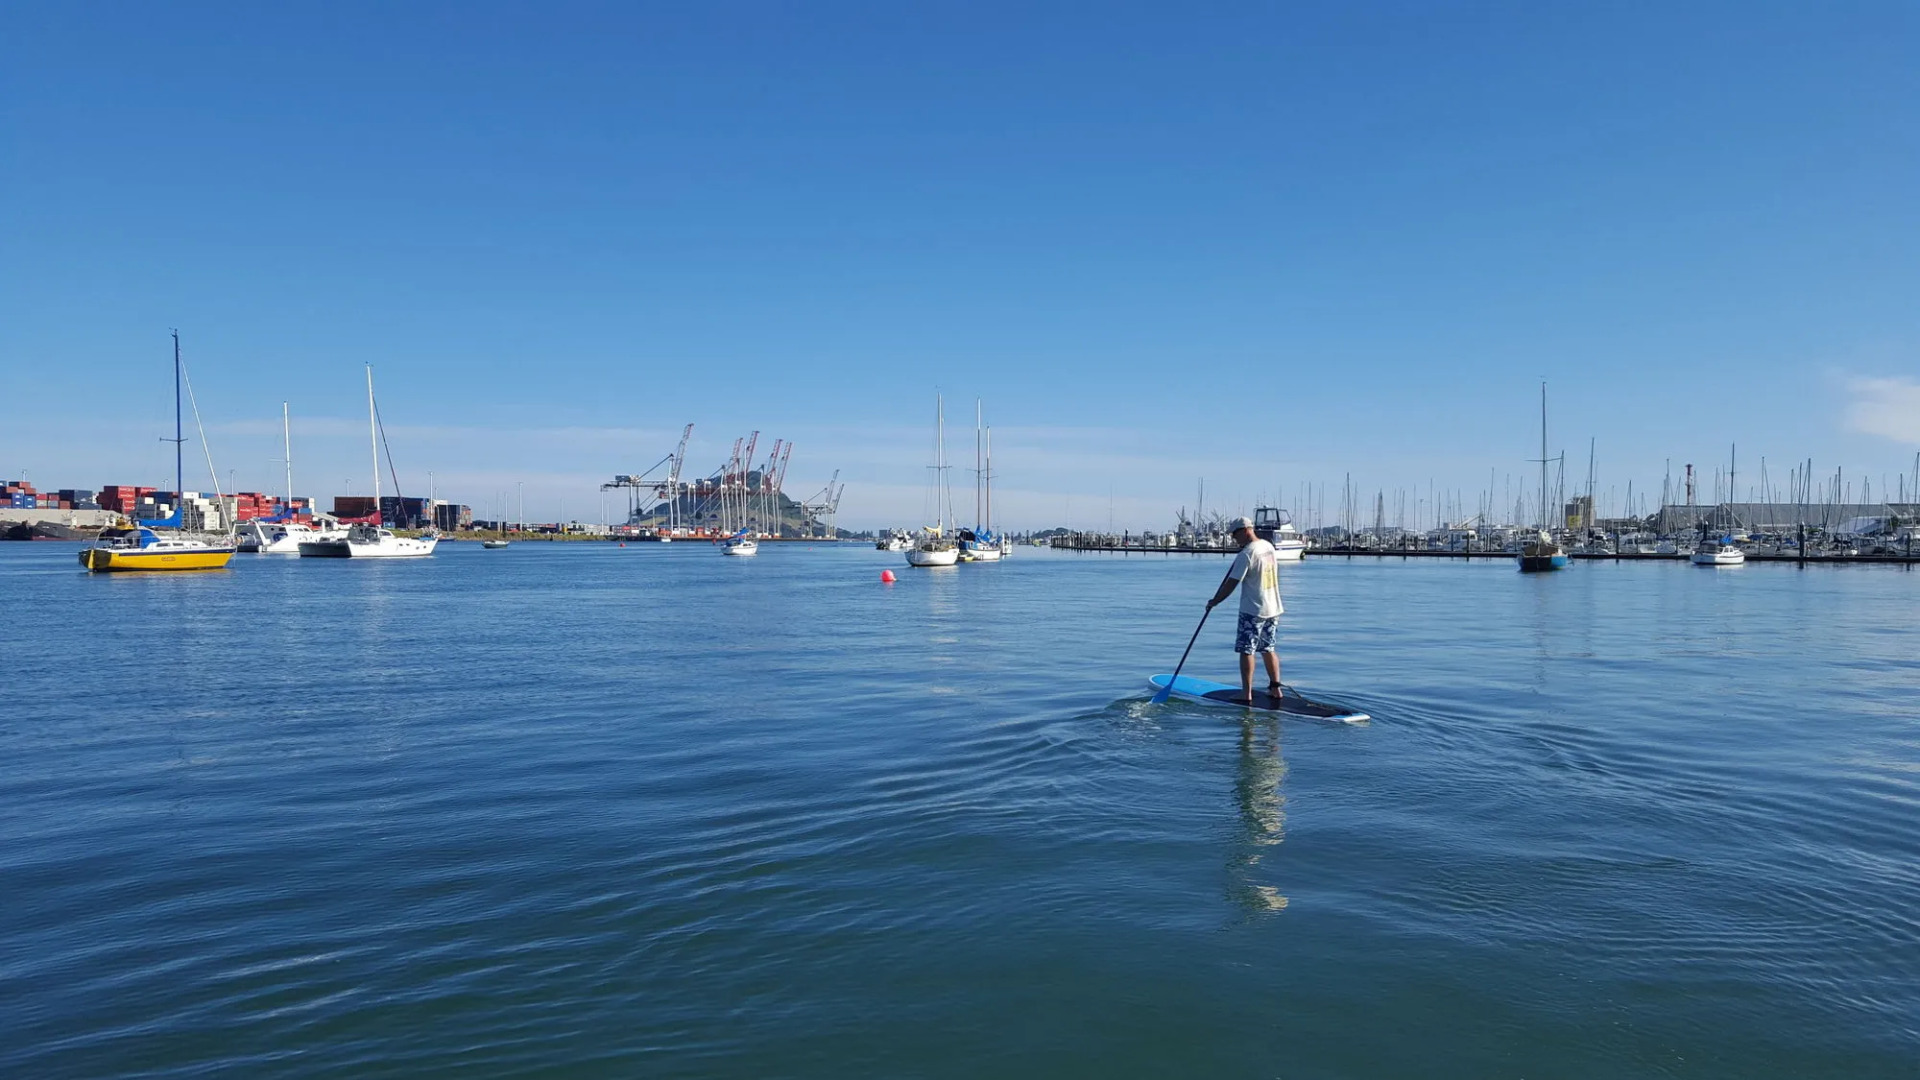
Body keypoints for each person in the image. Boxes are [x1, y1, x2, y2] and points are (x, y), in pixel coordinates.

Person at [1206, 516, 1284, 705]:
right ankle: (1276, 689)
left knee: (1246, 650)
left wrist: (1215, 601)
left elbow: (1232, 583)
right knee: (1268, 648)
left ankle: (1246, 693)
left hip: (1253, 609)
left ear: (1245, 530)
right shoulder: (1268, 546)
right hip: (1273, 607)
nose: (1234, 539)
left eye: (1234, 534)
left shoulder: (1247, 553)